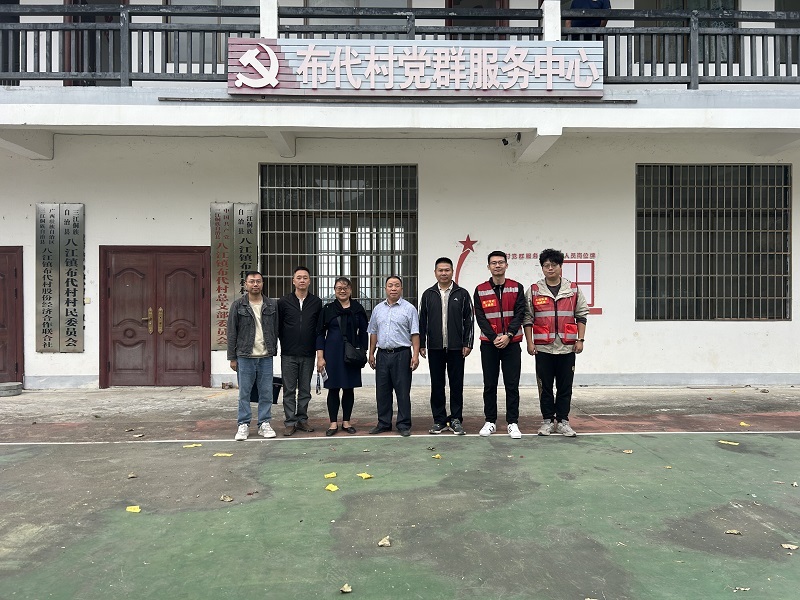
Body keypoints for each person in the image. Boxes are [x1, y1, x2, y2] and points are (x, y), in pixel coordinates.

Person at [523, 248, 589, 437]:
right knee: (545, 387)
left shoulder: (573, 289)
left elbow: (581, 315)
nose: (550, 268)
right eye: (546, 265)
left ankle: (562, 421)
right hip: (543, 348)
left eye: (554, 265)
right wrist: (530, 343)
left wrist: (580, 339)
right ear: (542, 268)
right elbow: (527, 318)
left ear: (560, 266)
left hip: (567, 347)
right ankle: (547, 421)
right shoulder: (534, 290)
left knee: (565, 387)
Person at [474, 251, 526, 439]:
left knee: (512, 384)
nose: (497, 265)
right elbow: (480, 316)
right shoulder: (480, 290)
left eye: (501, 262)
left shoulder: (517, 287)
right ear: (488, 266)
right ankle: (490, 421)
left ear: (506, 265)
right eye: (494, 263)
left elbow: (520, 313)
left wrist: (508, 335)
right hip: (489, 344)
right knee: (490, 384)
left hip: (512, 344)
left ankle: (513, 422)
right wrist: (494, 337)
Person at [418, 257, 474, 435]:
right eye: (440, 270)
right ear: (435, 272)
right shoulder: (428, 294)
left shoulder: (462, 294)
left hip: (457, 348)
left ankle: (456, 419)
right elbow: (422, 321)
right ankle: (439, 420)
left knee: (456, 384)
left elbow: (469, 320)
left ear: (452, 272)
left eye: (447, 270)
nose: (444, 273)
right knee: (437, 384)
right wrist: (422, 344)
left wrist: (468, 343)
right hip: (435, 347)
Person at [227, 270, 279, 441]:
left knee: (266, 392)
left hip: (265, 356)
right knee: (245, 393)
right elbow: (232, 332)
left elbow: (276, 328)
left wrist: (274, 349)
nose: (255, 284)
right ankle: (243, 424)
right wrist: (232, 357)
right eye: (252, 281)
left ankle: (264, 423)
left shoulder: (271, 305)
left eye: (258, 281)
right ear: (246, 284)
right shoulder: (238, 305)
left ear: (262, 284)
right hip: (245, 356)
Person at [367, 276, 420, 437]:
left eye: (397, 285)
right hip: (382, 355)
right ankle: (384, 423)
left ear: (401, 289)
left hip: (402, 354)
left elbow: (415, 333)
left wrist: (415, 355)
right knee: (382, 391)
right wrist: (371, 353)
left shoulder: (409, 309)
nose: (393, 288)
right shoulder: (378, 309)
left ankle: (403, 424)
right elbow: (373, 332)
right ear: (385, 288)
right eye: (390, 285)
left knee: (402, 391)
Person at [316, 277, 369, 436]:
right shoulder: (328, 309)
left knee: (348, 387)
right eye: (339, 288)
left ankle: (346, 422)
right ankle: (333, 423)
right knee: (333, 389)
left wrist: (363, 352)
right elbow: (320, 334)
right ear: (334, 290)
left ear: (351, 290)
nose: (342, 290)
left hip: (351, 354)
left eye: (346, 288)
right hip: (332, 354)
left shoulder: (358, 309)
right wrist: (320, 357)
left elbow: (364, 332)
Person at [278, 266, 322, 436]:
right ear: (293, 281)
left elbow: (319, 329)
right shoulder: (284, 302)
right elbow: (278, 327)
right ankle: (290, 422)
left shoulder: (316, 302)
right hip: (288, 354)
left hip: (308, 354)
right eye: (299, 277)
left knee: (304, 390)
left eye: (305, 277)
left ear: (309, 281)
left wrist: (319, 354)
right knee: (289, 389)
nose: (302, 280)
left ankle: (302, 419)